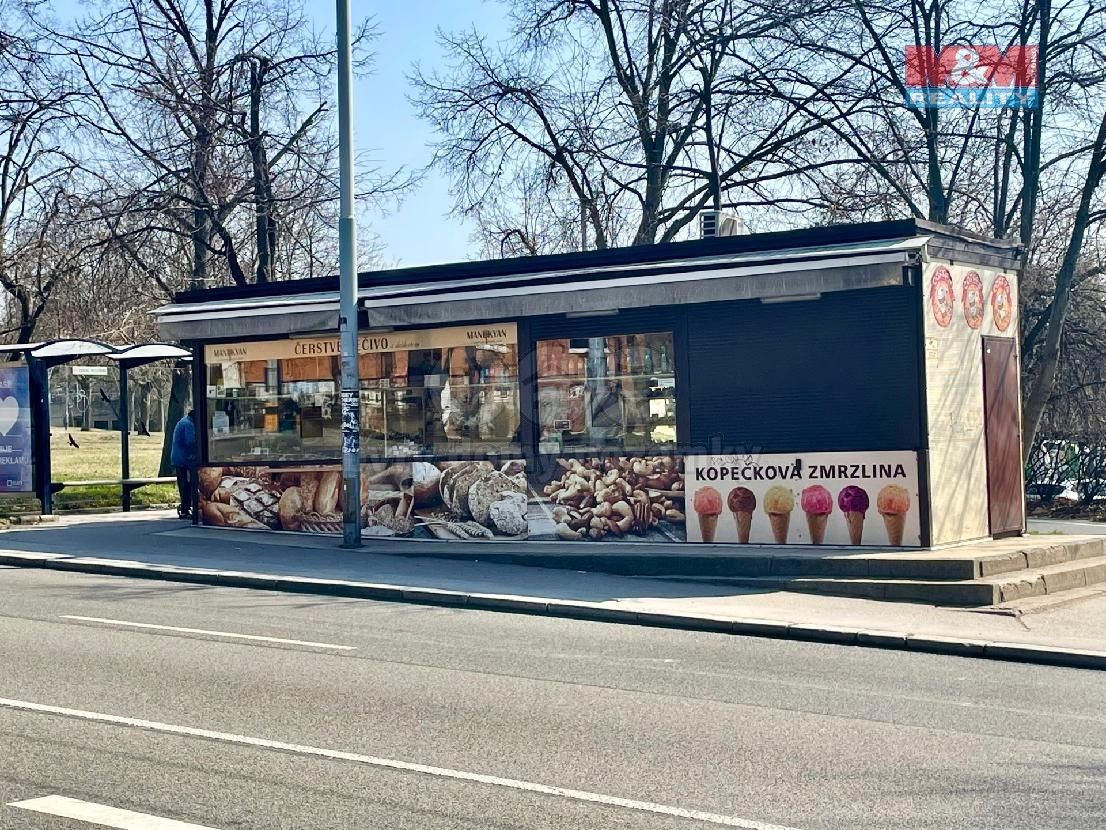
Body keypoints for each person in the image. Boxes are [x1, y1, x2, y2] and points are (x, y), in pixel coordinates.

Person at [171, 409, 198, 519]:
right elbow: (191, 441)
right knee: (188, 484)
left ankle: (185, 508)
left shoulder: (183, 421)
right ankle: (185, 508)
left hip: (178, 458)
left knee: (183, 484)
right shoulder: (188, 424)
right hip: (185, 459)